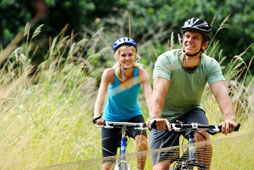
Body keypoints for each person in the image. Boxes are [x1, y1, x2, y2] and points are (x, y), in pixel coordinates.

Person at [149, 18, 237, 170]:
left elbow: (221, 91)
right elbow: (158, 90)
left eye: (195, 37)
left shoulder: (210, 65)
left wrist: (229, 119)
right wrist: (156, 118)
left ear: (204, 45)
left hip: (191, 111)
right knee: (160, 168)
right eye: (187, 36)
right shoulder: (166, 60)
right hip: (164, 118)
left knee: (202, 136)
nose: (189, 40)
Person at [93, 37, 152, 170]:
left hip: (133, 116)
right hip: (111, 119)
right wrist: (97, 116)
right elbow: (100, 97)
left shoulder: (141, 74)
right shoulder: (109, 73)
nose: (127, 58)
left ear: (135, 56)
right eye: (123, 55)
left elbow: (150, 98)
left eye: (130, 55)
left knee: (142, 142)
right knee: (107, 166)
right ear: (117, 57)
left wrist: (153, 117)